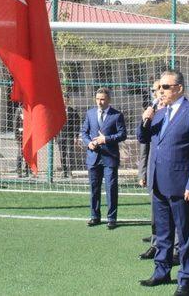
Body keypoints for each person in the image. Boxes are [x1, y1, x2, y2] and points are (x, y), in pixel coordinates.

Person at [138, 70, 189, 296]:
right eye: (159, 87)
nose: (160, 91)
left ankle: (185, 279)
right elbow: (143, 138)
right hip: (158, 182)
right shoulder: (158, 113)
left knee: (185, 235)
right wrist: (145, 119)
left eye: (165, 87)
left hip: (180, 184)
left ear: (179, 88)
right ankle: (161, 270)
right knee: (163, 232)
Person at [137, 80, 179, 264]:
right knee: (157, 213)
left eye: (162, 88)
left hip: (172, 173)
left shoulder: (177, 112)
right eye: (156, 90)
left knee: (175, 214)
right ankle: (156, 245)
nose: (158, 92)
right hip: (154, 172)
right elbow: (144, 147)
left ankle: (177, 249)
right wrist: (143, 173)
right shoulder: (152, 111)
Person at [81, 87, 126, 230]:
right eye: (97, 99)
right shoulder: (90, 113)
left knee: (111, 188)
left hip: (110, 158)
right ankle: (95, 216)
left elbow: (122, 134)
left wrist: (105, 139)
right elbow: (84, 132)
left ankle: (111, 218)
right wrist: (90, 143)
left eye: (102, 99)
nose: (99, 102)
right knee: (94, 188)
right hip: (93, 157)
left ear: (109, 100)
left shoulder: (117, 115)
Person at [57, 93, 81, 178]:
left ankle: (70, 171)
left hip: (69, 135)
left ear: (68, 101)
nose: (65, 101)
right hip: (60, 135)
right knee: (62, 154)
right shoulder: (57, 110)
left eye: (66, 100)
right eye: (63, 100)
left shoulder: (73, 111)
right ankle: (64, 171)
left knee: (70, 153)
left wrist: (76, 136)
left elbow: (77, 124)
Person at [13, 104, 29, 177]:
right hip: (21, 136)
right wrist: (17, 136)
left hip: (28, 136)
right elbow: (15, 124)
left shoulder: (30, 109)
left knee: (28, 153)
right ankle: (19, 171)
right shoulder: (19, 110)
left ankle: (27, 170)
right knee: (20, 153)